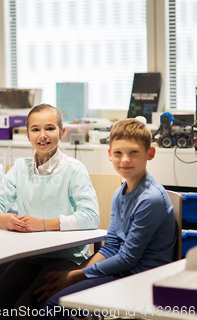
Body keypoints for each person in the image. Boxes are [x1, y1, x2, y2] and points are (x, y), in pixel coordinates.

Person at [36, 119, 176, 320]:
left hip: (140, 279)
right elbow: (111, 246)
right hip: (122, 271)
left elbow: (128, 258)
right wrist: (74, 272)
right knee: (40, 296)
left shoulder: (150, 199)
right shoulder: (120, 193)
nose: (125, 159)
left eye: (133, 152)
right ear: (109, 154)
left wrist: (74, 276)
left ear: (150, 153)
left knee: (52, 306)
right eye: (118, 153)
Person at [0, 104, 100, 319]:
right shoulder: (20, 167)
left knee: (21, 310)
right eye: (35, 129)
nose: (42, 135)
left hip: (67, 258)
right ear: (27, 134)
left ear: (62, 132)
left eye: (50, 128)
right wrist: (2, 218)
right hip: (30, 256)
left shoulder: (74, 169)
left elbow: (91, 217)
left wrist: (43, 224)